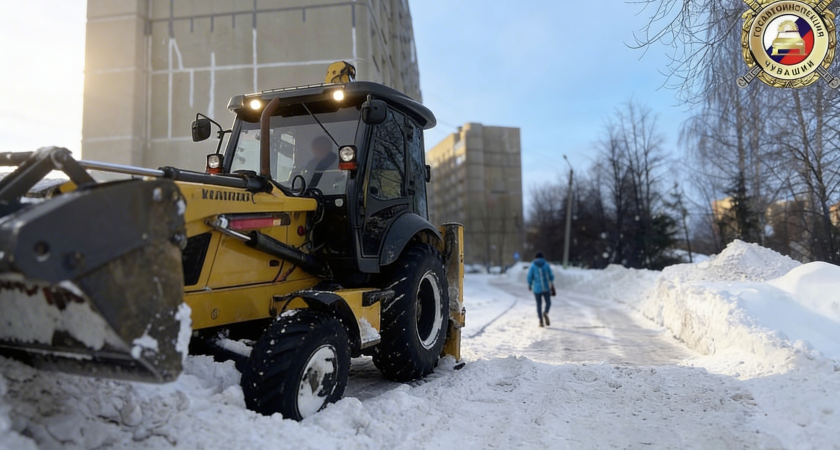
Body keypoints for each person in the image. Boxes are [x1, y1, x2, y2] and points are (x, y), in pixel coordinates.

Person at [527, 251, 555, 327]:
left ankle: (541, 321)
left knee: (539, 304)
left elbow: (529, 276)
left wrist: (530, 284)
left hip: (536, 288)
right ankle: (545, 312)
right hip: (546, 287)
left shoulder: (533, 265)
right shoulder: (546, 264)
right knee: (548, 302)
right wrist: (551, 280)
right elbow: (551, 275)